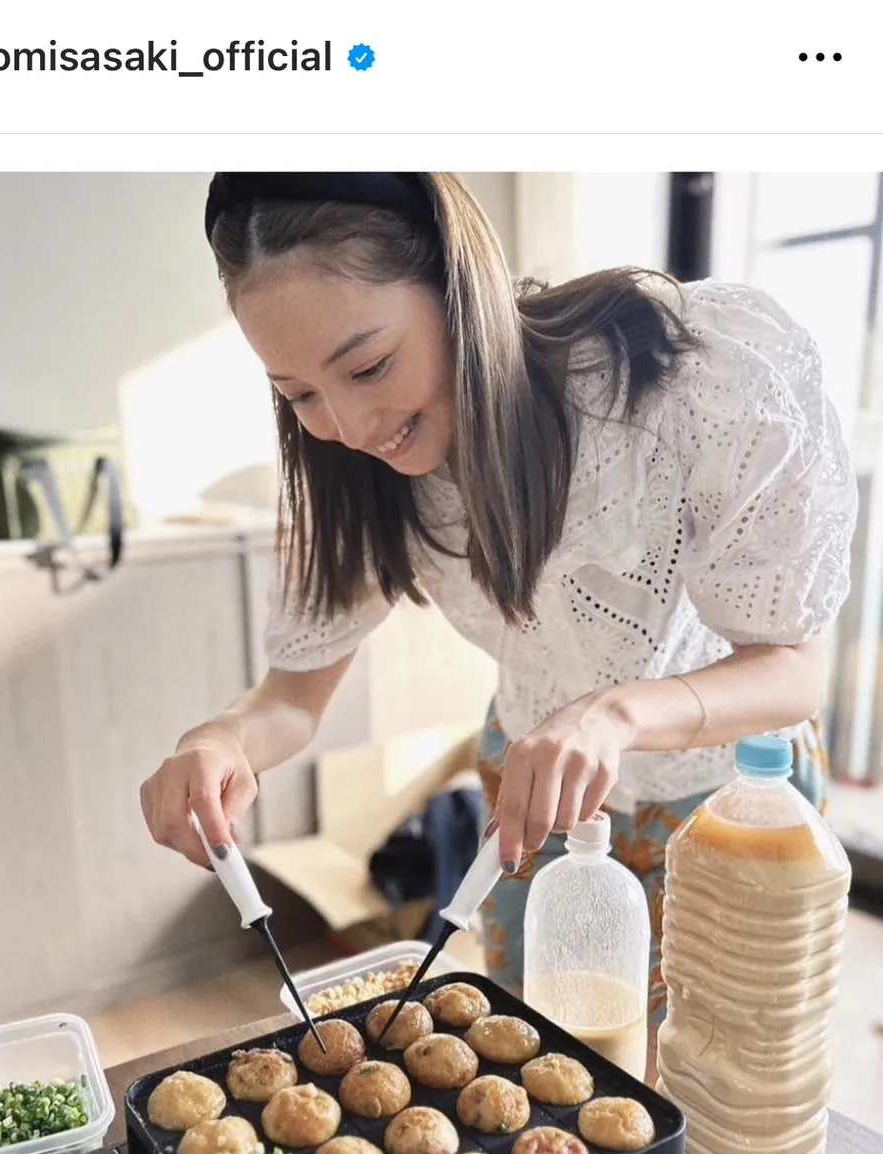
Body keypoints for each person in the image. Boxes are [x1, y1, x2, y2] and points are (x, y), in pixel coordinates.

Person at [139, 171, 857, 1042]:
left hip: (737, 794)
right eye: (300, 395)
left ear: (454, 282)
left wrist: (615, 713)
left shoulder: (683, 375)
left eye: (368, 366)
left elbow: (792, 670)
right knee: (546, 1070)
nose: (352, 425)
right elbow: (290, 702)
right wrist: (219, 740)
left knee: (716, 1106)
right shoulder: (353, 476)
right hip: (532, 793)